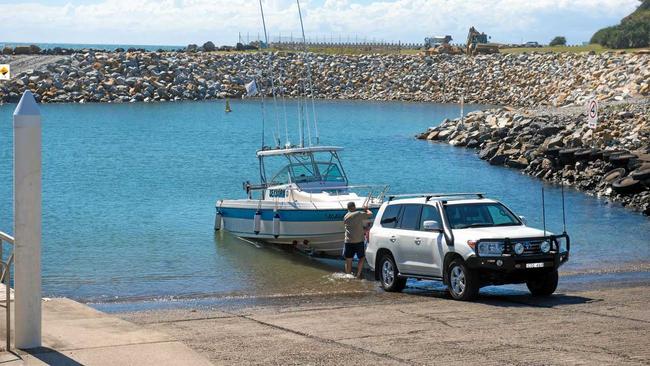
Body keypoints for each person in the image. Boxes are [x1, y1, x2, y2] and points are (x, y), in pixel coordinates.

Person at [343, 201, 372, 278]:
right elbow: (370, 214)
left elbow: (354, 226)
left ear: (348, 208)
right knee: (362, 258)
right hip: (358, 241)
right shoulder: (358, 214)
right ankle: (358, 275)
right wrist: (366, 209)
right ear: (354, 207)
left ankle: (348, 276)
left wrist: (363, 229)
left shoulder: (345, 216)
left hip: (348, 241)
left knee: (348, 260)